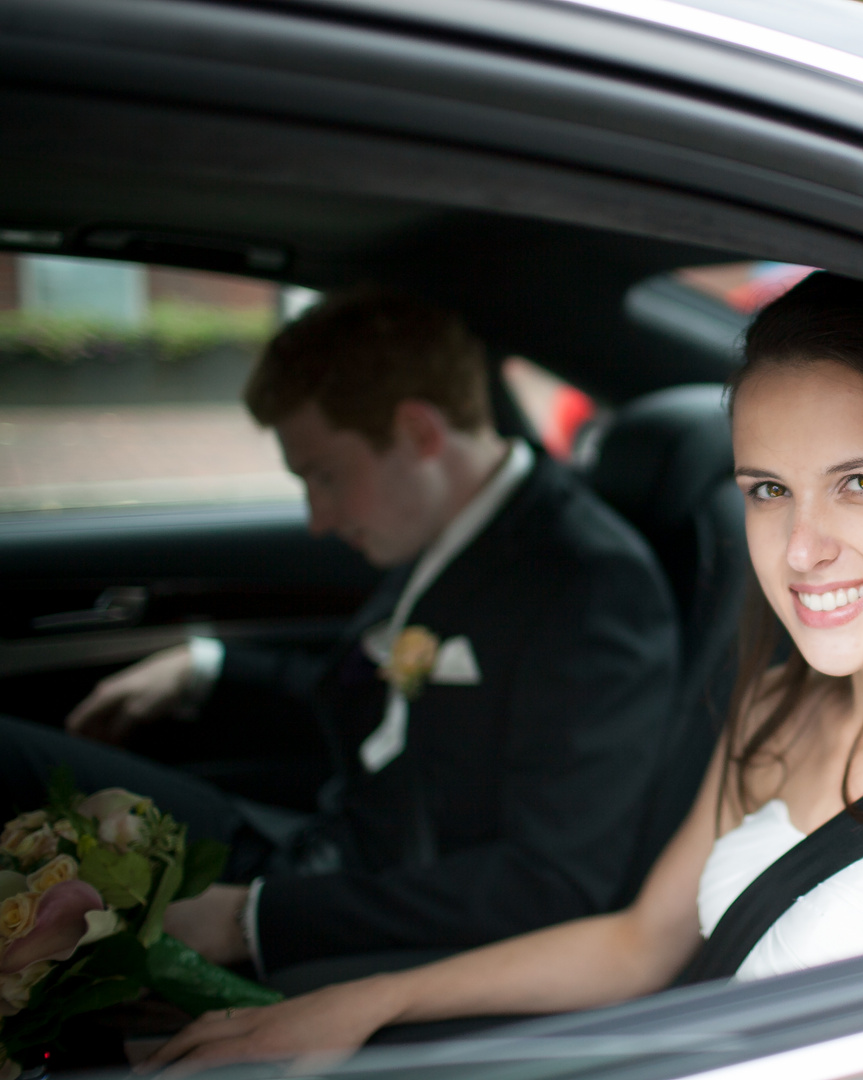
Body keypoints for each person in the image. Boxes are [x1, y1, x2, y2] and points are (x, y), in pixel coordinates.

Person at [148, 273, 863, 1070]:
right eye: (767, 490)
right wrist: (364, 1001)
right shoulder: (785, 702)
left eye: (862, 485)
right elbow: (639, 945)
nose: (800, 549)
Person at [0, 291, 680, 979]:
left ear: (418, 433)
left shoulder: (588, 588)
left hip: (366, 916)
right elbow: (364, 691)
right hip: (313, 846)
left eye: (325, 476)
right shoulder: (443, 530)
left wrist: (251, 920)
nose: (317, 519)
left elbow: (548, 883)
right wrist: (205, 668)